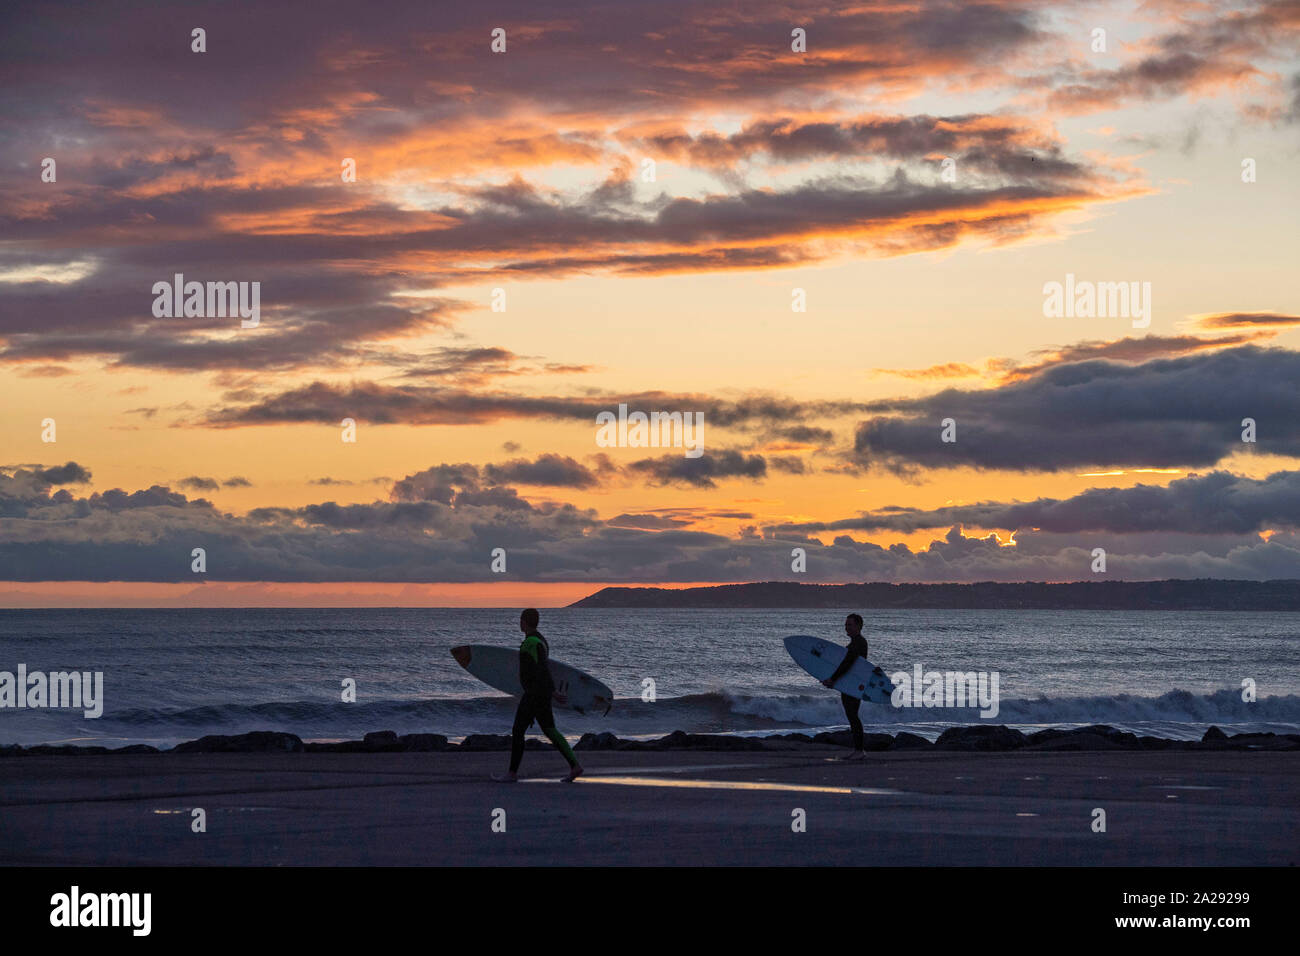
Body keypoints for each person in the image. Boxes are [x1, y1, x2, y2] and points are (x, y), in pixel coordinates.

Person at [494, 608, 584, 783]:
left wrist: (553, 692)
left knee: (518, 730)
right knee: (550, 730)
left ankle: (512, 774)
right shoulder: (542, 641)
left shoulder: (531, 643)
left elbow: (542, 670)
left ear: (523, 622)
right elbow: (542, 669)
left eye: (520, 620)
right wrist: (550, 692)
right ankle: (575, 766)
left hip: (535, 694)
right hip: (540, 694)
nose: (519, 623)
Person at [822, 612, 869, 760]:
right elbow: (845, 664)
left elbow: (848, 663)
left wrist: (833, 679)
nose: (846, 628)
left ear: (859, 626)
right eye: (845, 625)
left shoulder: (858, 643)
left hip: (853, 685)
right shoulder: (856, 642)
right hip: (849, 683)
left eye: (850, 625)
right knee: (852, 715)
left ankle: (860, 750)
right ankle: (858, 749)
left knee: (853, 716)